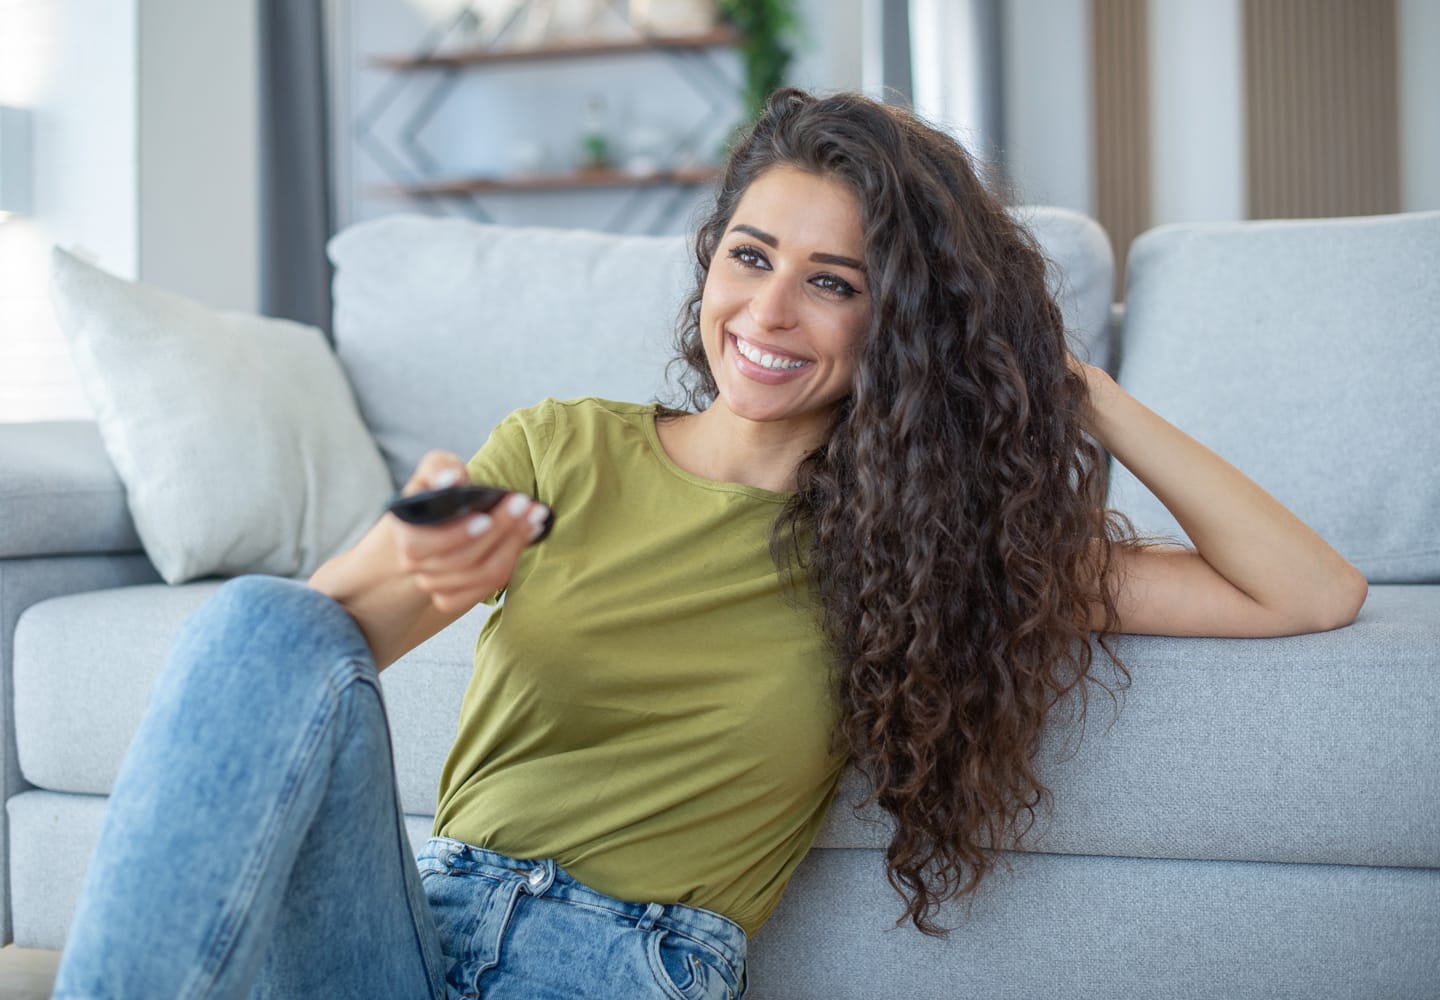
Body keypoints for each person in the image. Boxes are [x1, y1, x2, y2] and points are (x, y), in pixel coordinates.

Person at [53, 88, 1366, 1000]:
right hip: (395, 937)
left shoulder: (929, 548)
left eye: (834, 282)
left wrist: (1071, 377)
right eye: (751, 255)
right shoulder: (563, 448)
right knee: (263, 617)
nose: (771, 309)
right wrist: (396, 558)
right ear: (709, 265)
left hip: (614, 969)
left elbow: (1307, 589)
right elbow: (304, 655)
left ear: (893, 325)